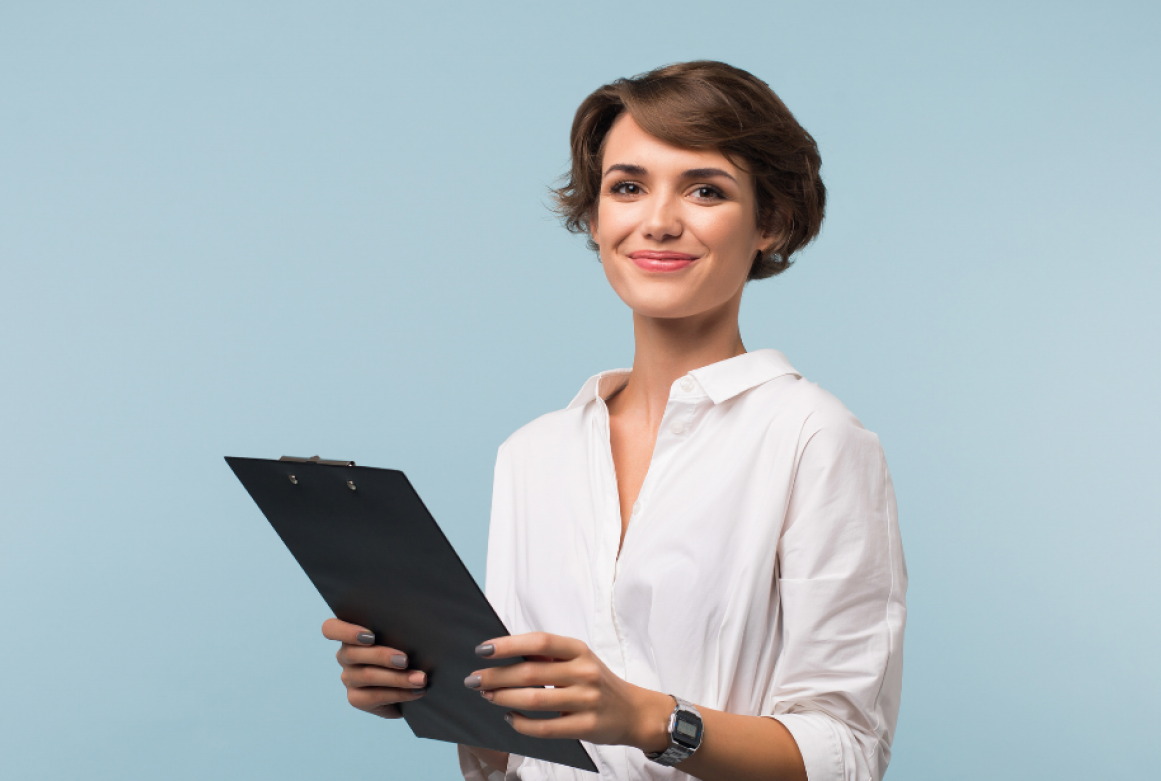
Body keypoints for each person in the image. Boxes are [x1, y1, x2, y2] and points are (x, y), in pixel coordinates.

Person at [321, 60, 908, 781]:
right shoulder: (532, 454)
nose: (658, 222)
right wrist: (425, 689)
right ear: (596, 217)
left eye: (705, 189)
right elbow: (510, 754)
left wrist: (650, 720)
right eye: (627, 187)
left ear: (772, 221)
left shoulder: (813, 439)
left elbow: (848, 755)